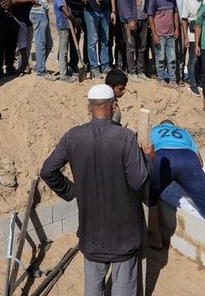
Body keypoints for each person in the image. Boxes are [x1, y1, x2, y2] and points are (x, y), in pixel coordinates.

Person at [40, 84, 152, 296]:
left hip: (91, 234)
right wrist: (148, 159)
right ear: (114, 106)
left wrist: (72, 191)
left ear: (89, 107)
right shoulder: (126, 138)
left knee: (93, 288)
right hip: (123, 235)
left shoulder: (73, 136)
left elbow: (48, 171)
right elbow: (139, 181)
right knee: (123, 287)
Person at [146, 120, 205, 249]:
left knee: (151, 198)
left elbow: (146, 154)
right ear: (174, 127)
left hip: (163, 157)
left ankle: (156, 240)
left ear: (161, 125)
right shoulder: (184, 132)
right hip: (188, 159)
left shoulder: (153, 130)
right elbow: (200, 162)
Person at [12, 0, 55, 81]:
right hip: (37, 15)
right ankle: (41, 71)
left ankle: (39, 66)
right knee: (41, 42)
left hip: (43, 13)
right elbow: (15, 0)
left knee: (49, 43)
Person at [119, 0, 150, 81]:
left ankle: (140, 71)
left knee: (142, 46)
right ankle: (132, 72)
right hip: (131, 17)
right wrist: (130, 19)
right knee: (131, 46)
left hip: (143, 16)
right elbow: (124, 1)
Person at [148, 0, 180, 86]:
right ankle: (161, 78)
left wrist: (176, 28)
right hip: (159, 34)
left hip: (171, 33)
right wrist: (154, 34)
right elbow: (150, 16)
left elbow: (175, 13)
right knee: (160, 58)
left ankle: (172, 79)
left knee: (172, 58)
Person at [181, 0, 205, 96]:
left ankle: (199, 80)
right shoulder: (187, 0)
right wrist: (185, 36)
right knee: (193, 60)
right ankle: (193, 84)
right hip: (191, 35)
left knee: (201, 60)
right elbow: (184, 19)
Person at [53, 0, 77, 82]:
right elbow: (67, 13)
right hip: (63, 27)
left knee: (63, 50)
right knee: (64, 51)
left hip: (67, 27)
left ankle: (64, 68)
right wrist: (75, 21)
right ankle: (63, 75)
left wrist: (74, 26)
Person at [172, 0, 191, 86]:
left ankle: (180, 76)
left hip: (184, 24)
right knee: (171, 51)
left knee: (182, 51)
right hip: (170, 24)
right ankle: (172, 76)